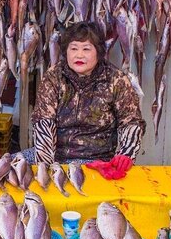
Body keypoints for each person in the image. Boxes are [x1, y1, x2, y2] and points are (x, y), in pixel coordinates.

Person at [29, 21, 145, 179]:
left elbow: (131, 121)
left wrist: (126, 154)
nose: (79, 55)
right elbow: (43, 121)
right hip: (56, 157)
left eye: (86, 49)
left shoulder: (115, 79)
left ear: (98, 52)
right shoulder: (53, 77)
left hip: (99, 160)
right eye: (74, 48)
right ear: (66, 51)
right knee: (9, 165)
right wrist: (46, 168)